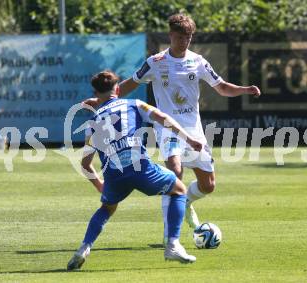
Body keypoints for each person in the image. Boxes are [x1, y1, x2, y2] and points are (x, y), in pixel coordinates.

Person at [83, 13, 261, 244]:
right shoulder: (155, 62)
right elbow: (127, 85)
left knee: (208, 185)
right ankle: (170, 237)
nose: (184, 41)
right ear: (170, 36)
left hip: (194, 129)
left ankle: (185, 203)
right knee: (175, 172)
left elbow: (223, 87)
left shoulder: (198, 61)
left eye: (188, 37)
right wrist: (100, 101)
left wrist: (246, 89)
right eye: (180, 37)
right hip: (167, 129)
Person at [67, 70, 203, 270]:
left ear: (96, 93)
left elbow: (85, 164)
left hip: (113, 175)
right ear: (118, 89)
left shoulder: (93, 123)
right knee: (179, 190)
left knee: (107, 208)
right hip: (141, 168)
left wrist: (99, 186)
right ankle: (173, 244)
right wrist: (189, 139)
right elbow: (162, 117)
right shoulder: (134, 104)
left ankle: (83, 248)